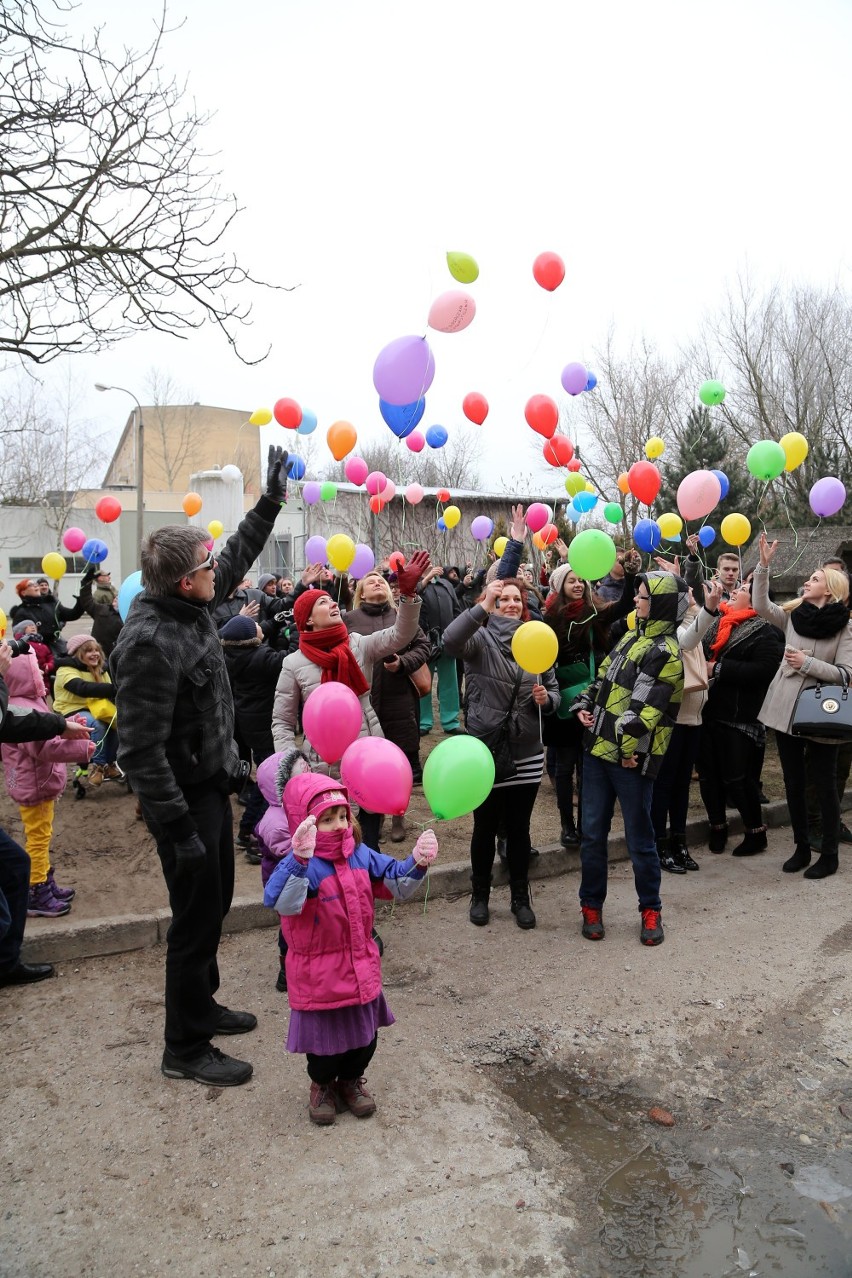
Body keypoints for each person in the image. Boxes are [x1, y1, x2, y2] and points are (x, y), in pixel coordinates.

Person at [110, 445, 290, 1088]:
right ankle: (183, 1047)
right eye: (207, 567)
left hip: (212, 789)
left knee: (210, 910)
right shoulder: (149, 643)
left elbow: (236, 554)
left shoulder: (190, 608)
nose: (221, 570)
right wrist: (179, 829)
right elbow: (138, 750)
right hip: (183, 805)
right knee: (191, 921)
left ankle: (204, 1006)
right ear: (187, 581)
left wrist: (268, 500)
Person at [263, 772, 437, 1125]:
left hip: (360, 967)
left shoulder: (360, 854)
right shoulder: (303, 866)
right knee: (324, 1048)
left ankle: (351, 1081)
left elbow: (396, 883)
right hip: (319, 978)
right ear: (305, 823)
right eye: (327, 819)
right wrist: (297, 860)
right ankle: (323, 1084)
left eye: (342, 816)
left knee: (365, 1040)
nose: (339, 825)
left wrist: (416, 861)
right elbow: (281, 902)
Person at [271, 553, 430, 851]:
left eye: (332, 601)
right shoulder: (293, 663)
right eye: (322, 603)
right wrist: (293, 765)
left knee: (368, 844)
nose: (333, 604)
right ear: (307, 619)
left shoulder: (357, 644)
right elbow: (281, 721)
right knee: (330, 848)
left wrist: (408, 596)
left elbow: (401, 635)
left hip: (367, 759)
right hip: (321, 768)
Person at [573, 572, 688, 947]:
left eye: (641, 598)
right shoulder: (631, 636)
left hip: (629, 761)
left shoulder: (667, 653)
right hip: (596, 752)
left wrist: (627, 753)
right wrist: (585, 705)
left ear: (659, 606)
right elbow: (604, 677)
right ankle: (591, 905)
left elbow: (644, 713)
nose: (635, 603)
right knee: (592, 834)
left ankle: (650, 909)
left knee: (640, 839)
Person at [442, 576, 560, 930]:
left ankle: (520, 897)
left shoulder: (537, 639)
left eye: (516, 599)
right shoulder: (480, 638)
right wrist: (481, 606)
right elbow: (449, 640)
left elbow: (553, 689)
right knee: (485, 827)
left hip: (526, 751)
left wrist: (547, 700)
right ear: (492, 604)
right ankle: (480, 895)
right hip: (487, 751)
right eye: (502, 599)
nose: (510, 604)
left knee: (520, 829)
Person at [752, 534, 852, 879]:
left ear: (829, 590)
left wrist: (806, 664)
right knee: (793, 782)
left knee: (823, 784)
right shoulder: (795, 616)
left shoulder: (846, 626)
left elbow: (846, 674)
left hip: (821, 715)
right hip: (785, 712)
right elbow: (762, 605)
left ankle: (829, 854)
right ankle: (799, 847)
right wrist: (764, 565)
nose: (807, 582)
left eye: (814, 579)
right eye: (808, 578)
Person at [0, 640, 93, 988]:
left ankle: (42, 883)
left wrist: (61, 723)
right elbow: (41, 747)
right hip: (32, 786)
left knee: (29, 851)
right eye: (36, 670)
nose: (42, 672)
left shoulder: (29, 701)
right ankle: (37, 890)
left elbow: (30, 725)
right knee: (35, 842)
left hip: (38, 785)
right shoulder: (18, 697)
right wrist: (82, 747)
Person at [541, 553, 641, 849]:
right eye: (571, 581)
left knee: (587, 765)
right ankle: (566, 825)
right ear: (560, 586)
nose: (577, 585)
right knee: (564, 766)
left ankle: (585, 823)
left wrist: (632, 577)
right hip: (561, 700)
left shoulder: (596, 611)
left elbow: (623, 606)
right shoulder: (551, 619)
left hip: (592, 697)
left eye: (581, 581)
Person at [696, 577, 784, 857]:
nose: (734, 591)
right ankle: (718, 827)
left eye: (743, 590)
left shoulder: (766, 632)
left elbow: (763, 671)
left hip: (739, 717)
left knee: (738, 779)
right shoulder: (718, 623)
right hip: (707, 712)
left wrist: (718, 668)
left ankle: (756, 833)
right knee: (709, 777)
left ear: (758, 601)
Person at [345, 570, 431, 839]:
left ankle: (398, 816)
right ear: (361, 593)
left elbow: (423, 646)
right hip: (363, 701)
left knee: (400, 760)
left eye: (381, 580)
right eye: (370, 581)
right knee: (369, 763)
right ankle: (374, 815)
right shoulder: (349, 620)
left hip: (400, 698)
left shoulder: (401, 617)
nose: (377, 583)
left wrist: (403, 663)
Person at [220, 614, 290, 862]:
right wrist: (295, 634)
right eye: (257, 626)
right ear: (251, 638)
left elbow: (262, 631)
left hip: (250, 725)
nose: (262, 626)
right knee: (270, 783)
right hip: (265, 729)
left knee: (265, 778)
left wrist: (278, 622)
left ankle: (246, 832)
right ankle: (251, 834)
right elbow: (286, 659)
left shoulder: (233, 655)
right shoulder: (260, 658)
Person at [52, 634, 120, 785]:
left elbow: (109, 693)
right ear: (78, 653)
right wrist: (116, 688)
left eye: (96, 650)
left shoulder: (101, 669)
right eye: (89, 651)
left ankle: (111, 763)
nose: (95, 654)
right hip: (71, 710)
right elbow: (81, 688)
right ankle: (99, 766)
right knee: (96, 725)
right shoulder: (65, 669)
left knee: (117, 723)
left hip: (96, 708)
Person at [417, 564, 463, 736]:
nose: (429, 566)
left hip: (446, 641)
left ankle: (451, 722)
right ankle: (423, 722)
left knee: (450, 683)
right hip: (423, 643)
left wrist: (455, 634)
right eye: (425, 564)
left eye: (431, 563)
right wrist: (426, 580)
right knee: (423, 683)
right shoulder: (417, 584)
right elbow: (411, 596)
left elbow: (457, 611)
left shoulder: (446, 585)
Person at [10, 571, 95, 659]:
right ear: (23, 593)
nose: (36, 585)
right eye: (30, 585)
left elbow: (72, 615)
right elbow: (18, 636)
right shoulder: (21, 612)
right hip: (38, 652)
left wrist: (80, 601)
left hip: (58, 647)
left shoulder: (51, 603)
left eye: (35, 584)